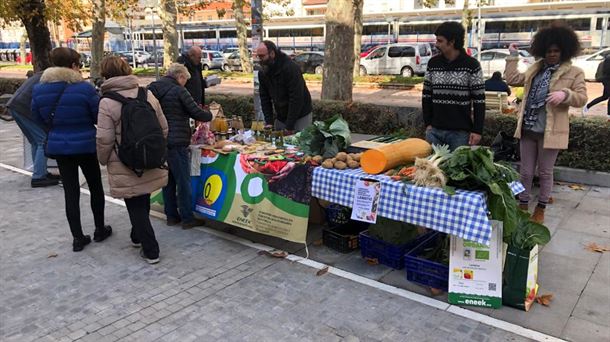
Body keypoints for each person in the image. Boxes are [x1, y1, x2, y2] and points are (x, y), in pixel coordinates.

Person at [504, 23, 587, 224]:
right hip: (528, 128)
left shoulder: (574, 72)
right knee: (525, 171)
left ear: (564, 51)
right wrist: (513, 56)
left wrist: (565, 94)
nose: (551, 54)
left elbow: (582, 98)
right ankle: (523, 203)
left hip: (551, 132)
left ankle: (541, 207)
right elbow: (513, 78)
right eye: (548, 51)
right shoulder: (536, 69)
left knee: (545, 172)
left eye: (556, 51)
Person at [31, 47, 112, 251]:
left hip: (59, 146)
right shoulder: (83, 89)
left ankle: (77, 237)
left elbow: (37, 117)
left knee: (71, 191)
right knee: (95, 186)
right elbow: (97, 115)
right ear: (74, 66)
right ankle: (100, 229)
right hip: (85, 144)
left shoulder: (39, 89)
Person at [97, 56, 168, 264]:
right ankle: (137, 236)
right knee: (142, 195)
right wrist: (155, 148)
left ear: (105, 75)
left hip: (124, 160)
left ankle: (151, 249)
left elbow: (104, 138)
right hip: (151, 155)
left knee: (134, 203)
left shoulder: (107, 102)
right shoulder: (147, 94)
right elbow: (163, 128)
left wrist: (104, 159)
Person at [148, 63, 213, 229]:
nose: (185, 83)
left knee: (168, 180)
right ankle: (187, 218)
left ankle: (171, 216)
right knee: (183, 181)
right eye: (185, 80)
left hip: (159, 140)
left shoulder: (152, 88)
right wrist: (210, 113)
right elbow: (196, 112)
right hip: (177, 142)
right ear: (180, 76)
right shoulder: (178, 90)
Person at [422, 21, 485, 151]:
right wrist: (428, 124)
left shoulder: (472, 65)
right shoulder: (433, 63)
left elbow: (479, 101)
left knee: (457, 171)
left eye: (440, 41)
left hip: (460, 134)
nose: (436, 44)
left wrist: (477, 130)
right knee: (432, 170)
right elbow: (426, 95)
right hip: (434, 131)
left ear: (452, 42)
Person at [7, 70, 61, 187]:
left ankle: (41, 172)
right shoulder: (56, 77)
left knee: (35, 141)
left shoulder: (45, 73)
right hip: (24, 107)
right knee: (43, 140)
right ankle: (38, 177)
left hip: (16, 105)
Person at [256, 40, 312, 133]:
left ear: (272, 54)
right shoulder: (263, 73)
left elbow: (296, 98)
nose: (260, 59)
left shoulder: (290, 68)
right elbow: (264, 98)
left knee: (297, 144)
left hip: (301, 115)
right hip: (281, 116)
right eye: (258, 56)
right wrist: (269, 121)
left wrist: (289, 126)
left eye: (262, 56)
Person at [583, 54, 610, 118]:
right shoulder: (608, 58)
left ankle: (588, 106)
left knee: (605, 97)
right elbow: (607, 71)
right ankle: (588, 106)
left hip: (607, 79)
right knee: (606, 96)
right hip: (607, 80)